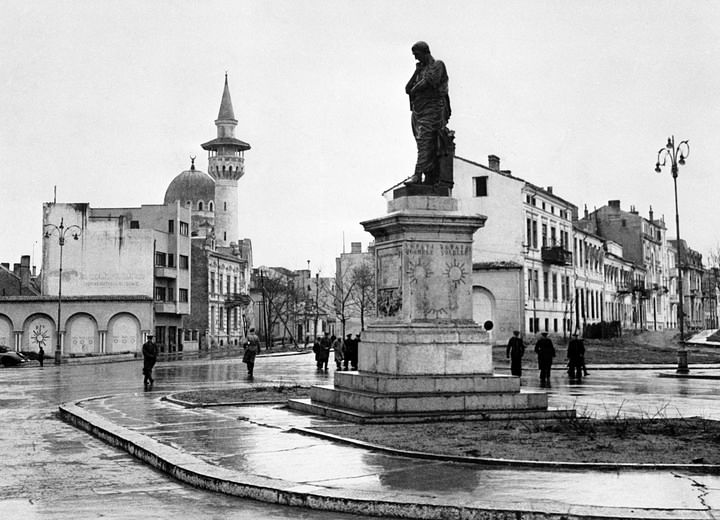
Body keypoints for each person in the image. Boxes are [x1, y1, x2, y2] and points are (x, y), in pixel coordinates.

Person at [405, 41, 451, 185]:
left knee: (425, 140)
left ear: (425, 52)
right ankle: (430, 177)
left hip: (432, 109)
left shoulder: (438, 65)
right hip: (419, 111)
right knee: (423, 143)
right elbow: (407, 88)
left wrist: (415, 89)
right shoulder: (421, 70)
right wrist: (416, 71)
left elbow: (430, 81)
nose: (415, 58)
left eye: (417, 54)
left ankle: (418, 175)